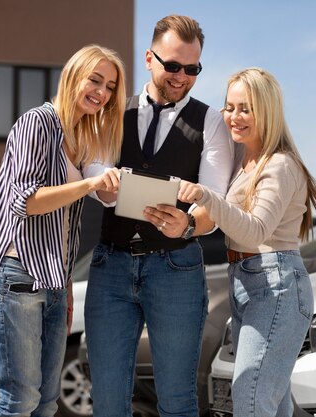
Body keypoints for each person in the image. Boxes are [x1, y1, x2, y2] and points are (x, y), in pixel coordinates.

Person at [83, 15, 234, 417]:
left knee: (178, 402)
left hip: (176, 268)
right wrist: (107, 188)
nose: (181, 76)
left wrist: (188, 223)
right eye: (172, 66)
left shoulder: (211, 122)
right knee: (108, 402)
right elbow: (94, 167)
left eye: (192, 69)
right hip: (110, 265)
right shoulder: (114, 111)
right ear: (150, 58)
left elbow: (214, 201)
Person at [165, 67, 316, 417]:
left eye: (246, 108)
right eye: (229, 107)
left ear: (267, 111)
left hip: (276, 286)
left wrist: (207, 197)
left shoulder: (280, 165)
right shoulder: (245, 161)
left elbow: (256, 229)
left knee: (251, 397)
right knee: (272, 402)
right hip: (248, 281)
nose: (234, 117)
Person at [0, 44, 126, 417]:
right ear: (73, 75)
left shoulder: (79, 137)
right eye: (95, 80)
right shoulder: (36, 123)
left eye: (109, 86)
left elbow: (62, 225)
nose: (101, 93)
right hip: (16, 277)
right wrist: (89, 186)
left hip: (53, 282)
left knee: (45, 402)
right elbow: (24, 201)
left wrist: (66, 283)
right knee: (18, 399)